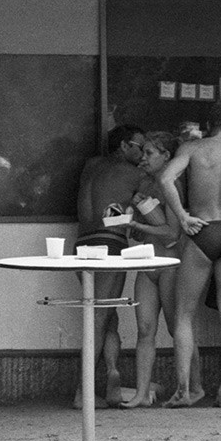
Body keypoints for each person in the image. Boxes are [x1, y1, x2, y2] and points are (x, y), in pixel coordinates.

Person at [159, 104, 221, 408]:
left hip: (201, 230)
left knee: (184, 315)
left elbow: (165, 179)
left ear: (209, 124)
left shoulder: (192, 148)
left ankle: (183, 390)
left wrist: (182, 217)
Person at [120, 131, 202, 408]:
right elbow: (148, 233)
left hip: (169, 263)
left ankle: (195, 386)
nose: (143, 158)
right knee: (145, 328)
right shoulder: (146, 183)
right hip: (148, 262)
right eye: (142, 153)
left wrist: (139, 226)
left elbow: (171, 232)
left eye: (150, 153)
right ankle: (142, 394)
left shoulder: (172, 186)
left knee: (177, 326)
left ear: (167, 156)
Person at [74, 124, 145, 405]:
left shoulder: (90, 166)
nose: (142, 153)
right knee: (98, 317)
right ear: (125, 145)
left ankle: (112, 376)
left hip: (81, 243)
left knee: (106, 313)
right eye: (140, 147)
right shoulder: (134, 173)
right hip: (109, 242)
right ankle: (83, 391)